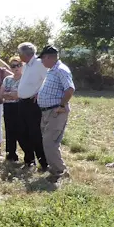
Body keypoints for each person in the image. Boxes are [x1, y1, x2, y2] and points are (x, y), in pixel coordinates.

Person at [36, 45, 74, 180]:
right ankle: (55, 169)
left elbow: (70, 89)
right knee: (48, 142)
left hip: (56, 111)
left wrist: (62, 105)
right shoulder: (52, 70)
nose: (41, 61)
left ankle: (61, 171)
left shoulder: (61, 70)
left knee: (49, 142)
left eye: (42, 58)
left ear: (49, 57)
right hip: (47, 111)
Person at [15, 42, 49, 170]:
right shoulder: (27, 65)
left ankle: (44, 162)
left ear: (25, 54)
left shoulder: (39, 64)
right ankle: (29, 159)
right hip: (22, 102)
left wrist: (39, 92)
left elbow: (47, 79)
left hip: (33, 103)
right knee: (21, 132)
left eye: (20, 53)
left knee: (35, 133)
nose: (19, 56)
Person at [0, 56, 24, 163]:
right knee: (9, 130)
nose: (16, 68)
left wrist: (9, 94)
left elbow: (20, 95)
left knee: (21, 131)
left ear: (22, 66)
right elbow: (1, 94)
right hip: (8, 107)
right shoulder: (7, 79)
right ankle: (11, 153)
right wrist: (11, 94)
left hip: (20, 107)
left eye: (18, 65)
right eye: (13, 66)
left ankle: (28, 155)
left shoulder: (25, 79)